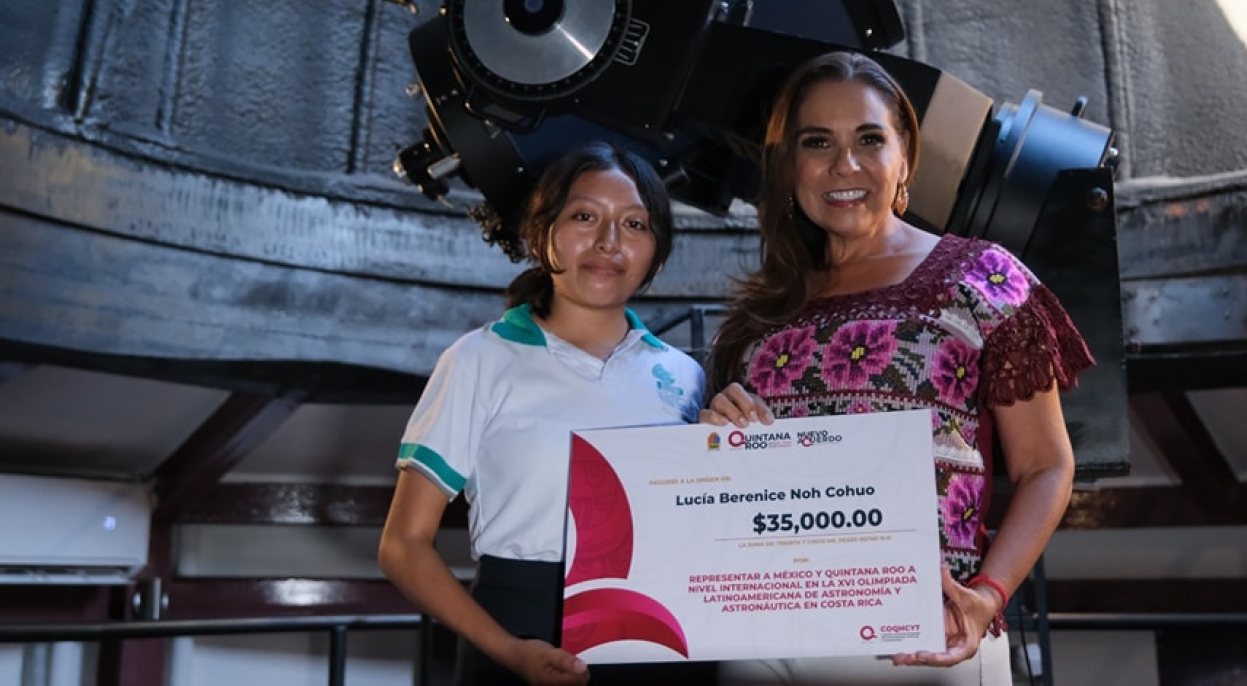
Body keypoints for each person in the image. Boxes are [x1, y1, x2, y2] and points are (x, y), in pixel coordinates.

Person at [702, 51, 1094, 685]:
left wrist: (989, 596)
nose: (844, 164)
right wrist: (716, 442)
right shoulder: (753, 319)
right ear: (789, 166)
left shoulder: (982, 278)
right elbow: (729, 490)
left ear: (905, 157)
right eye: (817, 142)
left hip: (922, 638)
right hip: (766, 633)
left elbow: (1047, 465)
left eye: (868, 139)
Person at [379, 140, 707, 686]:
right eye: (584, 216)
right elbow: (402, 546)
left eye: (634, 224)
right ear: (541, 231)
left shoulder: (687, 376)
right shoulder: (478, 360)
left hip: (659, 633)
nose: (609, 242)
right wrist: (507, 649)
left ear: (659, 251)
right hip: (518, 634)